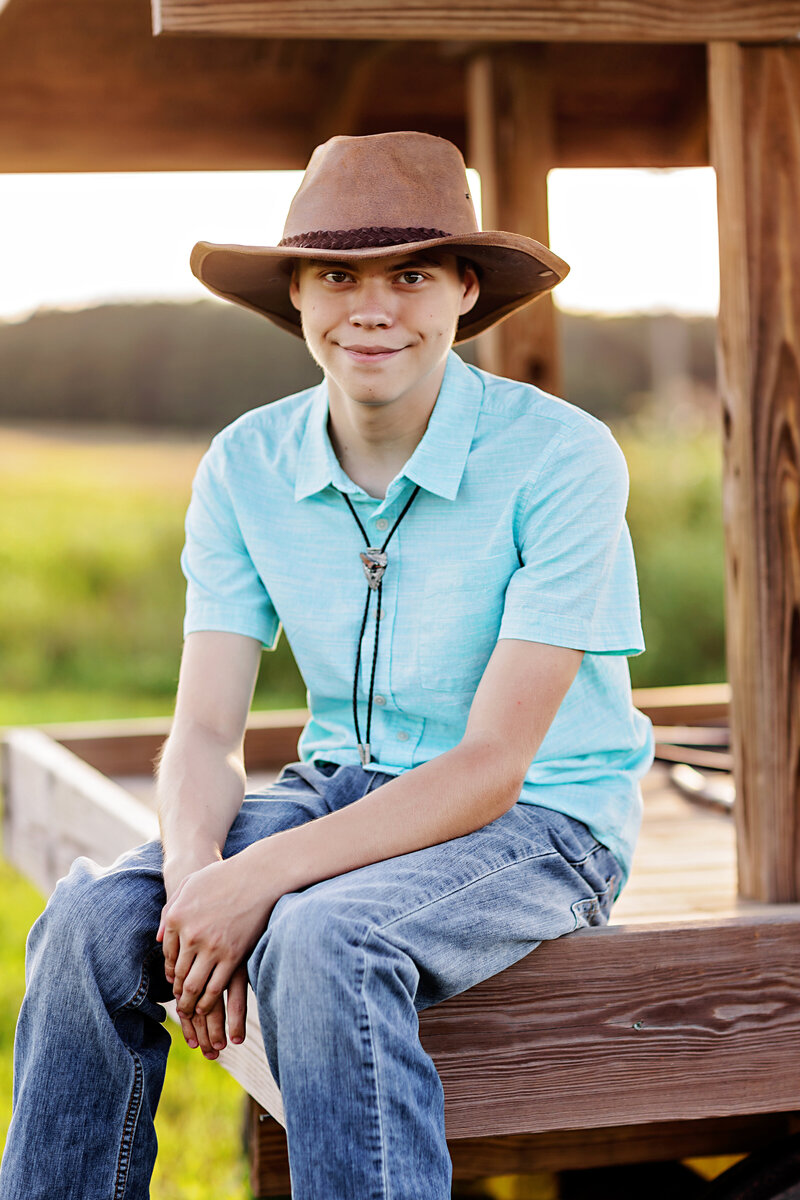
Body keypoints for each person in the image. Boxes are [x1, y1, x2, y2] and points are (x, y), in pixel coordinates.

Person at [0, 131, 654, 1200]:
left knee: (319, 939)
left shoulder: (560, 456)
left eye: (410, 272)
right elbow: (204, 734)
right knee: (82, 925)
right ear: (296, 295)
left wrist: (253, 881)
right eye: (337, 273)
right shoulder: (245, 464)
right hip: (339, 787)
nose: (373, 305)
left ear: (461, 291)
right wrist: (192, 892)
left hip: (541, 820)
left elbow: (492, 765)